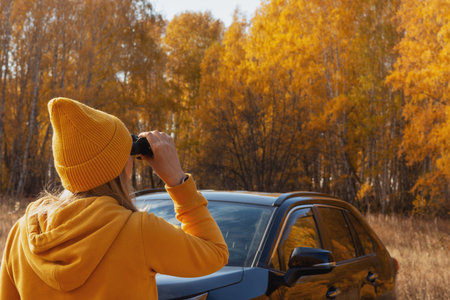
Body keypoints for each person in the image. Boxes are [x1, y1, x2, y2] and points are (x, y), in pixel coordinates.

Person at [0, 97, 228, 299]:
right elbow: (215, 253)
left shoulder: (22, 234)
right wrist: (177, 181)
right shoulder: (138, 232)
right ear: (120, 166)